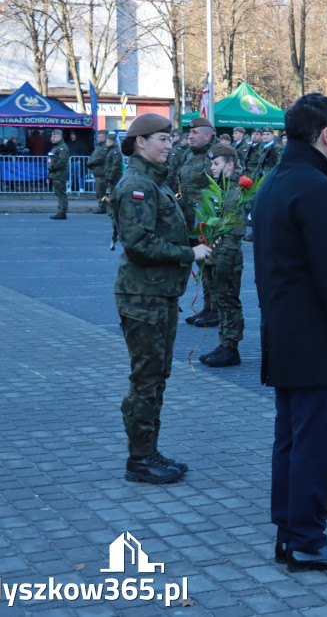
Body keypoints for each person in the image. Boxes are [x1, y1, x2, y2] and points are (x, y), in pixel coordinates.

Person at [253, 93, 327, 572]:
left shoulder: (277, 180)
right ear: (326, 135)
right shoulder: (316, 188)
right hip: (316, 336)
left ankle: (291, 532)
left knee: (291, 441)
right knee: (313, 445)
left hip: (285, 331)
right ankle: (305, 538)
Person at [111, 113, 213, 484]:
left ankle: (147, 450)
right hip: (143, 296)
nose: (170, 146)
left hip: (159, 294)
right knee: (147, 378)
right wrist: (190, 255)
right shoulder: (137, 185)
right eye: (162, 140)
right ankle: (139, 459)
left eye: (171, 140)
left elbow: (162, 235)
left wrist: (193, 243)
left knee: (156, 375)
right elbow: (139, 245)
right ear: (140, 143)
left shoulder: (155, 182)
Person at [197, 144, 247, 367]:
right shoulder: (220, 186)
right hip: (214, 255)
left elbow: (235, 231)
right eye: (211, 163)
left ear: (230, 164)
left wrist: (223, 260)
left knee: (228, 302)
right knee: (220, 302)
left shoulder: (236, 190)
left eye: (216, 163)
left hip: (227, 257)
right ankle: (223, 344)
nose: (212, 167)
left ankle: (230, 347)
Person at [179, 118, 217, 327]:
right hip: (190, 217)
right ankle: (207, 307)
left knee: (212, 265)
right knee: (202, 265)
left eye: (194, 134)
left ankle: (216, 309)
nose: (190, 137)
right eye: (189, 133)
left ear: (207, 136)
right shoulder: (188, 154)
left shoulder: (218, 154)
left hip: (207, 218)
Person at [48, 129, 70, 220]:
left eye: (55, 136)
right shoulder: (55, 147)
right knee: (58, 193)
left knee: (61, 194)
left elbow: (61, 161)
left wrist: (52, 167)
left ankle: (62, 212)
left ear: (60, 137)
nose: (53, 138)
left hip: (59, 174)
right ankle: (61, 210)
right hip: (55, 174)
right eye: (52, 137)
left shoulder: (62, 148)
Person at [89, 131, 109, 214]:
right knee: (99, 192)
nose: (98, 139)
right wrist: (90, 161)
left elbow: (100, 158)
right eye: (97, 137)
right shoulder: (98, 147)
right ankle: (104, 206)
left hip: (102, 173)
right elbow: (92, 156)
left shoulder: (105, 147)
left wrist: (91, 162)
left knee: (102, 192)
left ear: (104, 138)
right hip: (97, 173)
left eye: (100, 137)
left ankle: (104, 207)